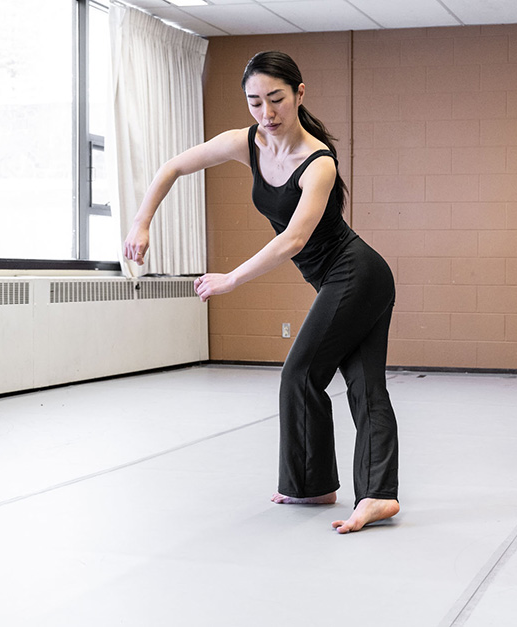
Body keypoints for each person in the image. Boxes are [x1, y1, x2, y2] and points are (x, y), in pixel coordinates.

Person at [123, 51, 399, 533]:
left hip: (355, 273)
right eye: (254, 102)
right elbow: (173, 166)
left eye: (276, 99)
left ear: (299, 95)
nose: (266, 114)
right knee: (363, 383)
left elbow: (293, 238)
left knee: (300, 373)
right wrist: (141, 221)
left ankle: (320, 485)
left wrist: (231, 278)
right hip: (349, 278)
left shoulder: (319, 163)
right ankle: (370, 494)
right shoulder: (244, 143)